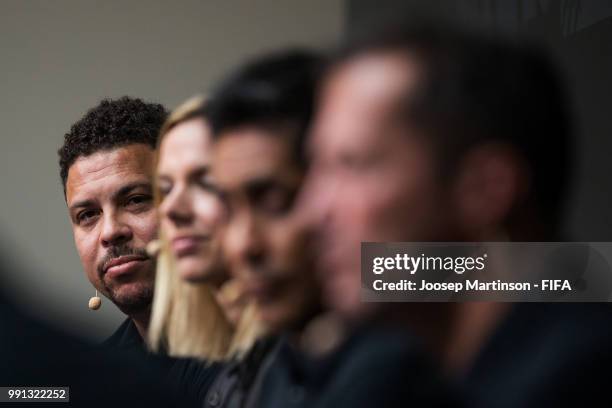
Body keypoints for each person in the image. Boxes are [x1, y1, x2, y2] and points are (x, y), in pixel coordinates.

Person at [299, 21, 612, 407]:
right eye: (318, 167)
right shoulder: (418, 374)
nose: (311, 213)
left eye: (353, 165)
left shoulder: (578, 380)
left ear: (486, 190)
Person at [206, 49, 459, 408]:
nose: (243, 245)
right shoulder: (281, 365)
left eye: (276, 200)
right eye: (227, 209)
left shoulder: (406, 365)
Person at [58, 96, 166, 350]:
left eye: (136, 200)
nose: (110, 232)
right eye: (87, 215)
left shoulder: (264, 353)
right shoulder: (92, 379)